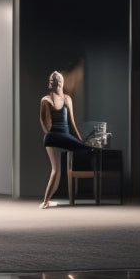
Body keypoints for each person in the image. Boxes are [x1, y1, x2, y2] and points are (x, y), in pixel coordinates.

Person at [39, 70, 89, 208]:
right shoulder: (46, 100)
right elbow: (44, 122)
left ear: (62, 82)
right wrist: (49, 134)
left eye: (60, 80)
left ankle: (66, 194)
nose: (59, 83)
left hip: (66, 135)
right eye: (56, 81)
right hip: (53, 136)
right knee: (55, 169)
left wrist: (80, 140)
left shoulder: (67, 99)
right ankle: (45, 201)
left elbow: (72, 122)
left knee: (81, 153)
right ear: (53, 83)